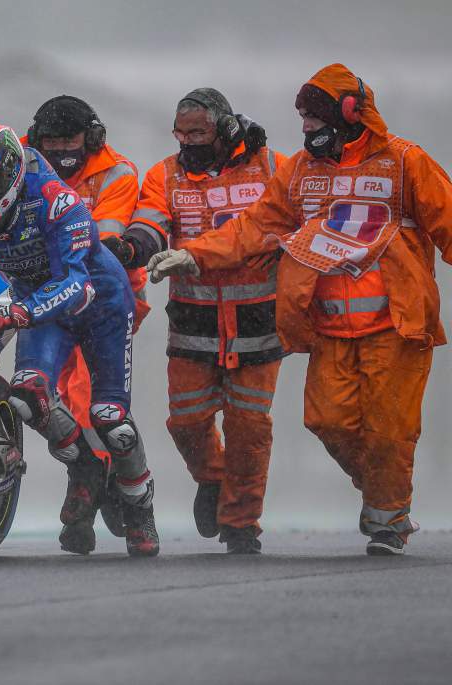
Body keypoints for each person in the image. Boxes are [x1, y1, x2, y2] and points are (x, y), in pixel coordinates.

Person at [147, 64, 452, 556]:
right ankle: (383, 494)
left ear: (351, 115)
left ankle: (386, 521)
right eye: (304, 118)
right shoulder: (299, 173)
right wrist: (194, 253)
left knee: (389, 429)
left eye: (315, 117)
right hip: (327, 327)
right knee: (325, 421)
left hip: (395, 326)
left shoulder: (404, 163)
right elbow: (252, 227)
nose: (306, 127)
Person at [0, 122, 159, 556]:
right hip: (39, 309)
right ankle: (85, 467)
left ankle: (139, 505)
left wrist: (19, 311)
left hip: (99, 304)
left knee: (110, 417)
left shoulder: (56, 203)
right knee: (26, 397)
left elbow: (78, 284)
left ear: (11, 175)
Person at [104, 88, 287, 553]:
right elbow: (150, 222)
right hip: (193, 321)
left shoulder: (273, 167)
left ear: (224, 129)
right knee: (185, 422)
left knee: (248, 426)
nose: (187, 142)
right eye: (180, 133)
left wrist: (288, 254)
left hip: (257, 321)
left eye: (198, 133)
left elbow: (303, 219)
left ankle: (241, 524)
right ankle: (212, 479)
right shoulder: (164, 174)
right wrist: (129, 248)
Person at [24, 95, 145, 538]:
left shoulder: (118, 173)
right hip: (41, 297)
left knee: (90, 402)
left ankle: (101, 493)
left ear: (91, 137)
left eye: (68, 140)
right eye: (49, 141)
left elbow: (106, 236)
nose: (58, 150)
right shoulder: (16, 160)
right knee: (39, 397)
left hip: (106, 298)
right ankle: (95, 480)